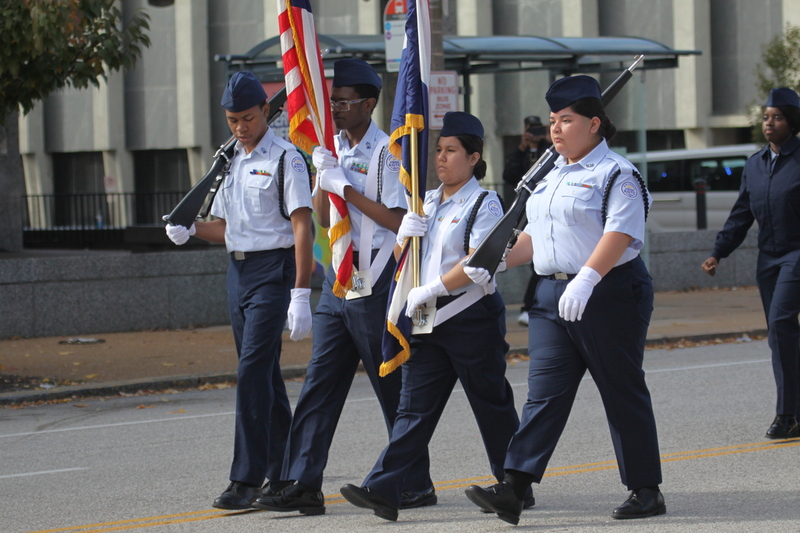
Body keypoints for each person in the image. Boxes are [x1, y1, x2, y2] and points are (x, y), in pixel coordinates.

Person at [464, 75, 665, 525]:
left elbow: (622, 230)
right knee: (544, 395)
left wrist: (588, 278)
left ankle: (646, 488)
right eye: (553, 120)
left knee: (620, 388)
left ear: (594, 124)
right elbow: (538, 236)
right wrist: (495, 261)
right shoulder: (551, 175)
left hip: (609, 291)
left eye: (566, 120)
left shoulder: (616, 173)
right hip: (552, 294)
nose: (556, 129)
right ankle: (514, 486)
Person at [253, 58, 433, 516]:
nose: (335, 110)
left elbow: (397, 220)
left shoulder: (387, 152)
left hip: (375, 282)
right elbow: (319, 212)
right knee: (319, 386)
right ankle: (303, 481)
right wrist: (321, 175)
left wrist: (345, 188)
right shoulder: (329, 145)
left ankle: (413, 482)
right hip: (338, 282)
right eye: (332, 102)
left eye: (344, 103)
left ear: (369, 104)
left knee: (391, 385)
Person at [338, 111, 524, 522]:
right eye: (438, 150)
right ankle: (385, 488)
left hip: (470, 318)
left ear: (474, 158)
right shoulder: (428, 201)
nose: (441, 158)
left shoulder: (484, 202)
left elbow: (482, 263)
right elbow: (416, 259)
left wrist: (435, 287)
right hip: (427, 321)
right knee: (413, 410)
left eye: (451, 151)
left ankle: (514, 486)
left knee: (490, 405)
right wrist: (404, 238)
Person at [164, 71, 314, 510]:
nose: (240, 127)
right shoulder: (227, 159)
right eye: (233, 120)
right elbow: (226, 227)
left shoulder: (288, 158)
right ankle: (287, 472)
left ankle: (245, 480)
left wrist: (301, 292)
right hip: (238, 272)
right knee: (263, 376)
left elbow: (303, 227)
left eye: (247, 118)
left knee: (251, 373)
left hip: (274, 271)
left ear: (265, 111)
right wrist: (191, 228)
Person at [701, 87, 800, 440]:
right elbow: (741, 214)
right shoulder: (756, 164)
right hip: (768, 258)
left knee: (782, 322)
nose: (769, 123)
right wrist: (718, 252)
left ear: (791, 122)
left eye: (777, 117)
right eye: (766, 117)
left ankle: (786, 414)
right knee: (780, 336)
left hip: (796, 256)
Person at [502, 115, 553, 327]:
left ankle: (530, 307)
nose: (535, 135)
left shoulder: (549, 151)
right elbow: (509, 175)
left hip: (544, 210)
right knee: (535, 262)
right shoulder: (520, 152)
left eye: (538, 130)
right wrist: (522, 147)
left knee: (539, 264)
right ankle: (531, 307)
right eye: (531, 130)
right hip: (524, 212)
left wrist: (548, 142)